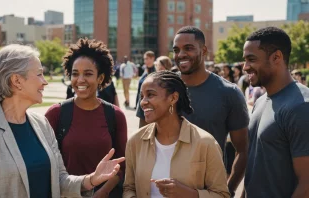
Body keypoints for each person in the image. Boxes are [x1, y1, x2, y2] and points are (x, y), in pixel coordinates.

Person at [0, 44, 125, 198]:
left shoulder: (41, 125)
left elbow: (59, 180)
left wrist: (91, 179)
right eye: (39, 74)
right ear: (16, 81)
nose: (44, 81)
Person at [124, 71, 230, 198]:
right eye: (142, 96)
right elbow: (129, 188)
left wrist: (190, 194)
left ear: (173, 98)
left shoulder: (205, 143)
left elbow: (222, 194)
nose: (143, 102)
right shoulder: (135, 141)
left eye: (150, 95)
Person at [172, 26, 249, 197]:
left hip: (207, 191)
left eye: (189, 48)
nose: (181, 54)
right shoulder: (160, 88)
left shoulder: (229, 93)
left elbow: (243, 150)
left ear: (204, 50)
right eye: (176, 50)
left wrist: (228, 190)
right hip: (161, 189)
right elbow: (143, 144)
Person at [45, 38, 127, 198]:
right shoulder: (55, 114)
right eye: (75, 74)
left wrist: (103, 192)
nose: (80, 80)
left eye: (88, 74)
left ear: (100, 78)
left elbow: (122, 164)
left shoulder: (115, 116)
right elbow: (47, 165)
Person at [243, 27, 309, 198]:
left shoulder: (301, 106)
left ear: (276, 57)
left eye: (251, 59)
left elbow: (307, 184)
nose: (245, 67)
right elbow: (255, 166)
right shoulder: (260, 101)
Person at [136, 55, 173, 128]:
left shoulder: (153, 83)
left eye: (157, 65)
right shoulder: (151, 78)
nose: (156, 67)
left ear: (162, 67)